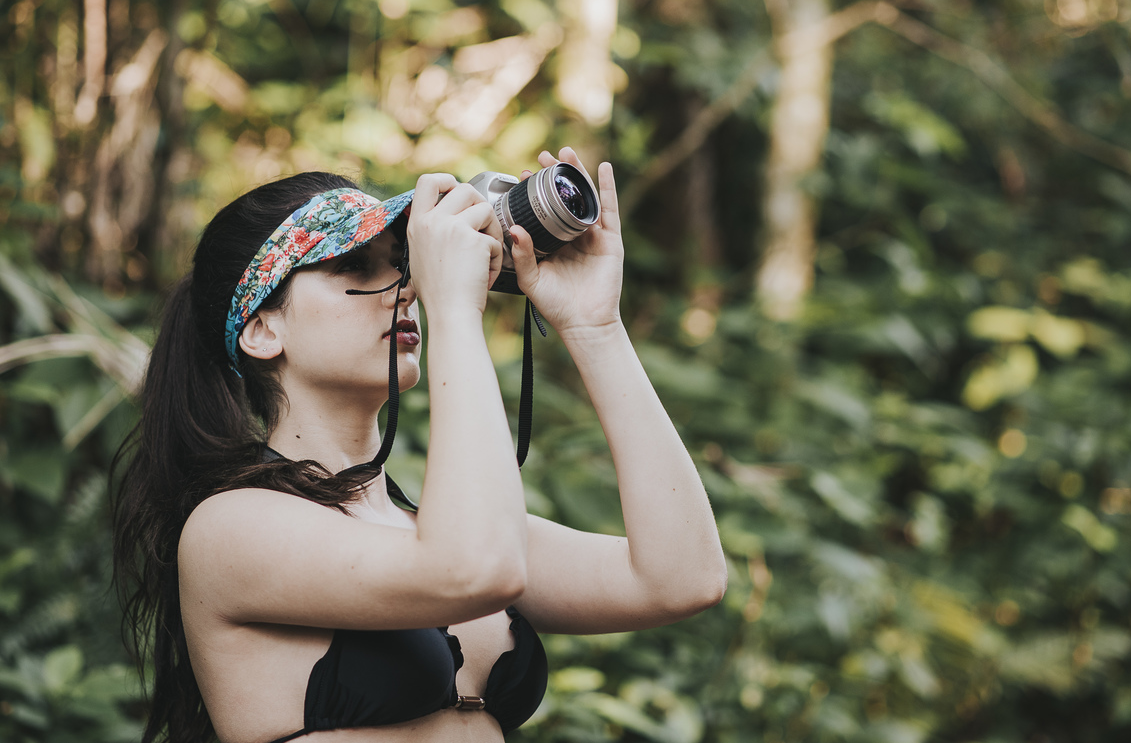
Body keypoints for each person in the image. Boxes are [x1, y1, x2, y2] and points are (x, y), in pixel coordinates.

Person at [112, 148, 727, 743]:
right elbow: (474, 569)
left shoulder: (427, 528)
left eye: (403, 261)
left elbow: (681, 578)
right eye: (356, 266)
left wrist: (595, 326)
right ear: (263, 329)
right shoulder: (230, 528)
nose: (405, 288)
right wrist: (455, 308)